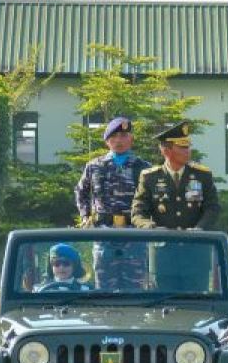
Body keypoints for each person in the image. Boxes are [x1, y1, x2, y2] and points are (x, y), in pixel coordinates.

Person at [76, 116, 150, 290]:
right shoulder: (94, 166)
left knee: (136, 291)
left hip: (134, 236)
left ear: (131, 139)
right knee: (104, 291)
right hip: (104, 235)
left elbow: (152, 199)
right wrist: (85, 216)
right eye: (114, 137)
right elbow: (81, 192)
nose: (119, 141)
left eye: (124, 136)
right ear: (107, 141)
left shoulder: (143, 167)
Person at [131, 121, 220, 231]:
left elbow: (212, 208)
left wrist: (200, 228)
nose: (188, 151)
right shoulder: (150, 177)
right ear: (166, 151)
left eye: (188, 147)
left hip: (196, 243)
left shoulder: (202, 175)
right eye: (183, 147)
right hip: (162, 244)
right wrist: (150, 227)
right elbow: (138, 212)